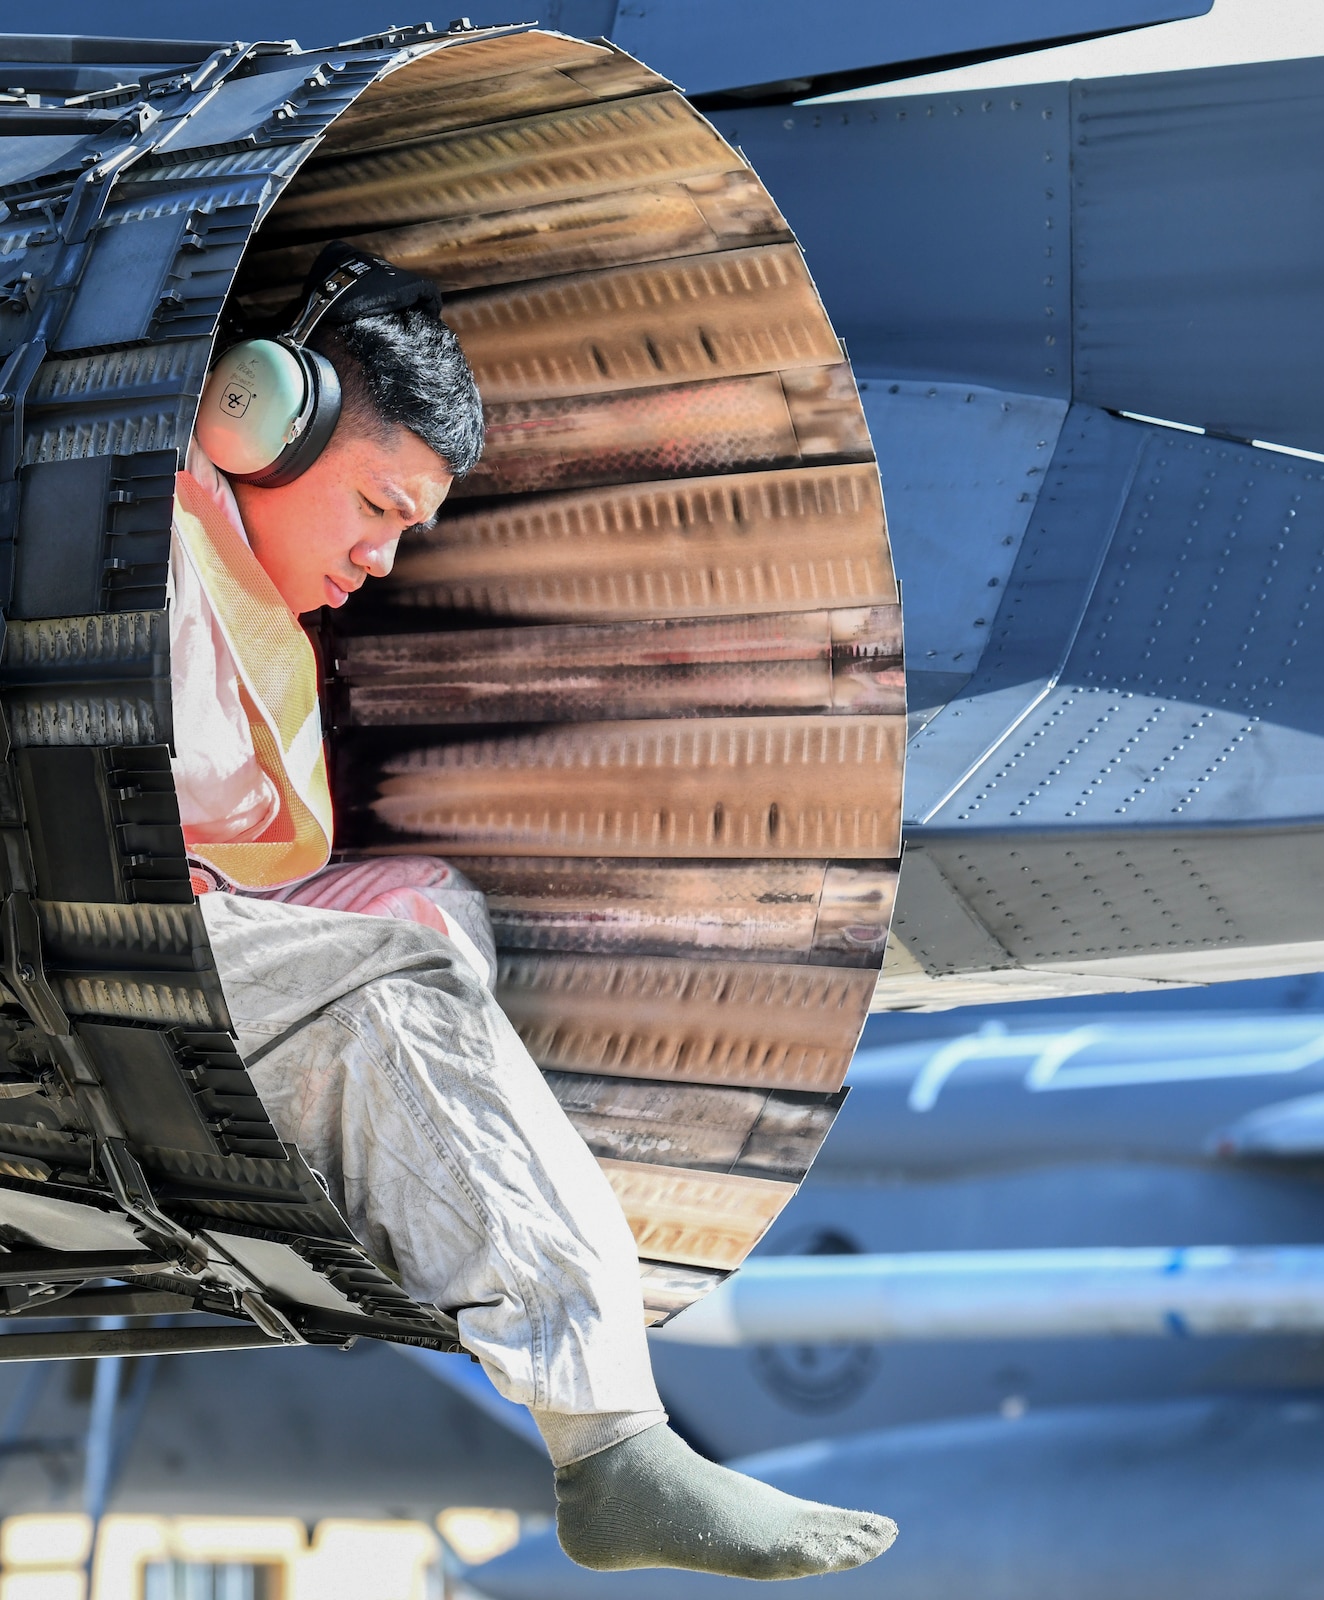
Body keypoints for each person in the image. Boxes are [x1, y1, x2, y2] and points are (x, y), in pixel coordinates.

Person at [172, 244, 896, 1579]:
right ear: (259, 422)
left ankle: (472, 1226)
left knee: (425, 905)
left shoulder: (240, 585)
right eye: (376, 507)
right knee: (392, 973)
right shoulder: (152, 553)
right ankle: (609, 1443)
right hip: (120, 951)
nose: (379, 561)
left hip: (187, 942)